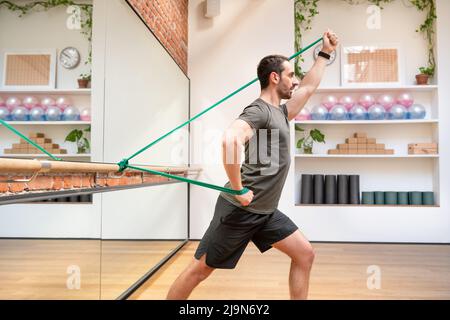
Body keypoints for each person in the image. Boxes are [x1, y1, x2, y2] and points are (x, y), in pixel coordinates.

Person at [167, 30, 339, 300]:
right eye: (290, 75)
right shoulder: (259, 110)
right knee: (199, 271)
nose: (294, 81)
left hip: (265, 212)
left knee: (305, 254)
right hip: (239, 211)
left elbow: (308, 88)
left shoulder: (281, 112)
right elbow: (229, 140)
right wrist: (237, 189)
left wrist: (325, 53)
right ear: (274, 77)